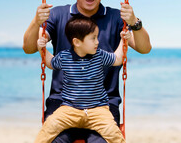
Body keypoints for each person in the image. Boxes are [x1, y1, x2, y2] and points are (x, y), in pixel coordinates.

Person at [23, 0, 152, 143]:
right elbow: (29, 48)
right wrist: (36, 22)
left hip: (103, 104)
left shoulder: (116, 18)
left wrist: (134, 23)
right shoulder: (58, 14)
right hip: (62, 103)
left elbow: (144, 48)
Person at [35, 15, 130, 143]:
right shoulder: (65, 57)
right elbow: (50, 62)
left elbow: (118, 59)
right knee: (48, 127)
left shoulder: (100, 55)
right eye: (93, 38)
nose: (97, 42)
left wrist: (124, 40)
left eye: (97, 37)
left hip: (98, 110)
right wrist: (42, 48)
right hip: (69, 109)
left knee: (113, 133)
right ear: (77, 42)